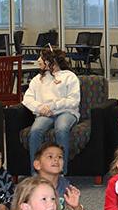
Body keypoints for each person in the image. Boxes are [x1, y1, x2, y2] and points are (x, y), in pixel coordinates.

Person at [33, 142, 105, 210]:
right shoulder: (31, 187)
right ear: (37, 164)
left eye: (60, 157)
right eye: (50, 156)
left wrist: (76, 207)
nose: (56, 160)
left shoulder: (64, 184)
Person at [23, 46, 81, 174]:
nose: (38, 60)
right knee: (35, 131)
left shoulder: (69, 76)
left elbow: (74, 100)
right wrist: (40, 108)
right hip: (45, 113)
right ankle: (36, 173)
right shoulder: (38, 79)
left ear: (50, 62)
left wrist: (53, 106)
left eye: (42, 58)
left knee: (61, 129)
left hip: (67, 112)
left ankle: (61, 172)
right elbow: (27, 99)